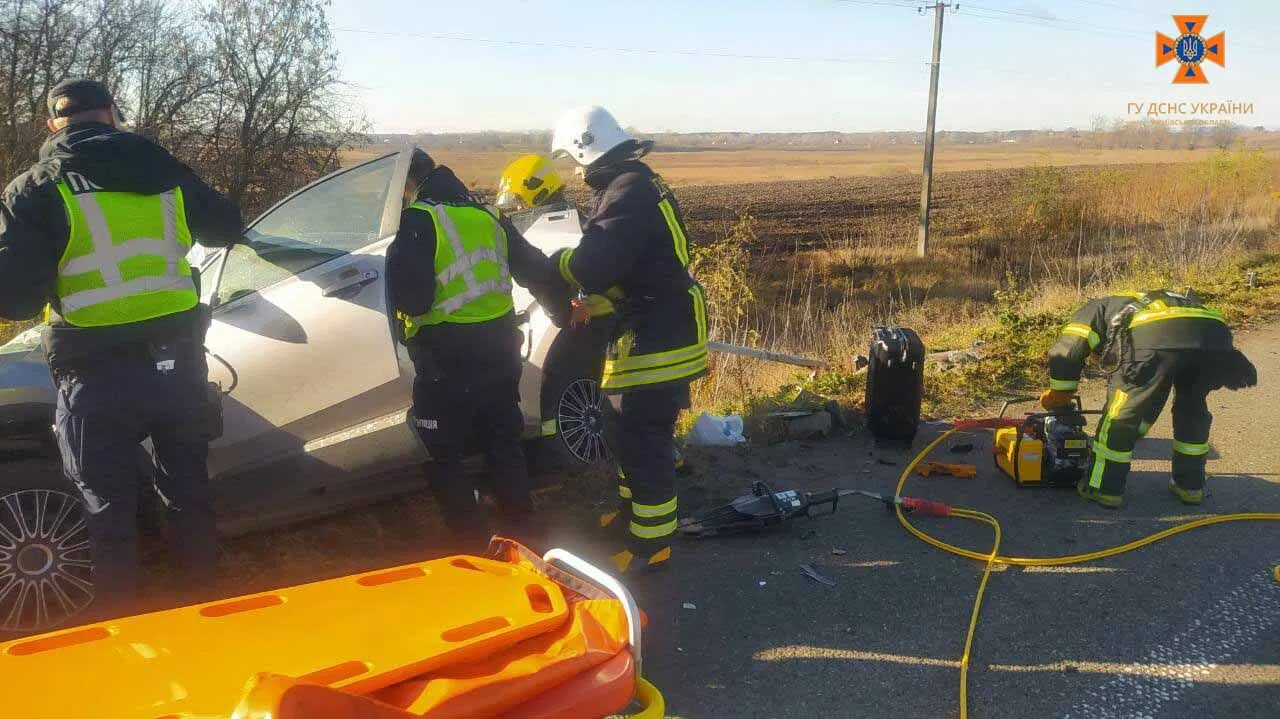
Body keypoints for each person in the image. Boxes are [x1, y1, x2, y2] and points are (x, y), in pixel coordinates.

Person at [0, 79, 243, 616]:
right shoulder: (165, 170)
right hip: (176, 364)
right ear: (113, 114)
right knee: (188, 495)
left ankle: (123, 635)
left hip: (96, 374)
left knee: (107, 511)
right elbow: (228, 226)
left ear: (52, 125)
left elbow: (15, 298)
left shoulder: (35, 188)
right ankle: (204, 617)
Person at [548, 105, 709, 574]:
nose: (576, 172)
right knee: (621, 427)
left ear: (586, 149)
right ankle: (631, 516)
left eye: (573, 160)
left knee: (643, 435)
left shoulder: (627, 192)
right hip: (650, 326)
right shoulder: (631, 184)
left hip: (661, 332)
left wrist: (558, 263)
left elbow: (591, 265)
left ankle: (651, 544)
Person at [387, 148, 559, 549]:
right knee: (503, 442)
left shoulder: (418, 219)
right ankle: (524, 536)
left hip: (446, 357)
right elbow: (536, 269)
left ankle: (471, 545)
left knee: (445, 453)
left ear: (407, 184)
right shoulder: (488, 215)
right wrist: (567, 310)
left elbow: (413, 301)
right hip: (500, 349)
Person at [1042, 288, 1257, 509]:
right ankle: (1190, 486)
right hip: (1215, 337)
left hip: (1158, 336)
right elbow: (1154, 395)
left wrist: (1060, 395)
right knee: (1192, 408)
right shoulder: (1133, 303)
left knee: (1120, 413)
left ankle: (1103, 488)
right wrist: (1138, 432)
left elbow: (1067, 352)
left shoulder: (1091, 311)